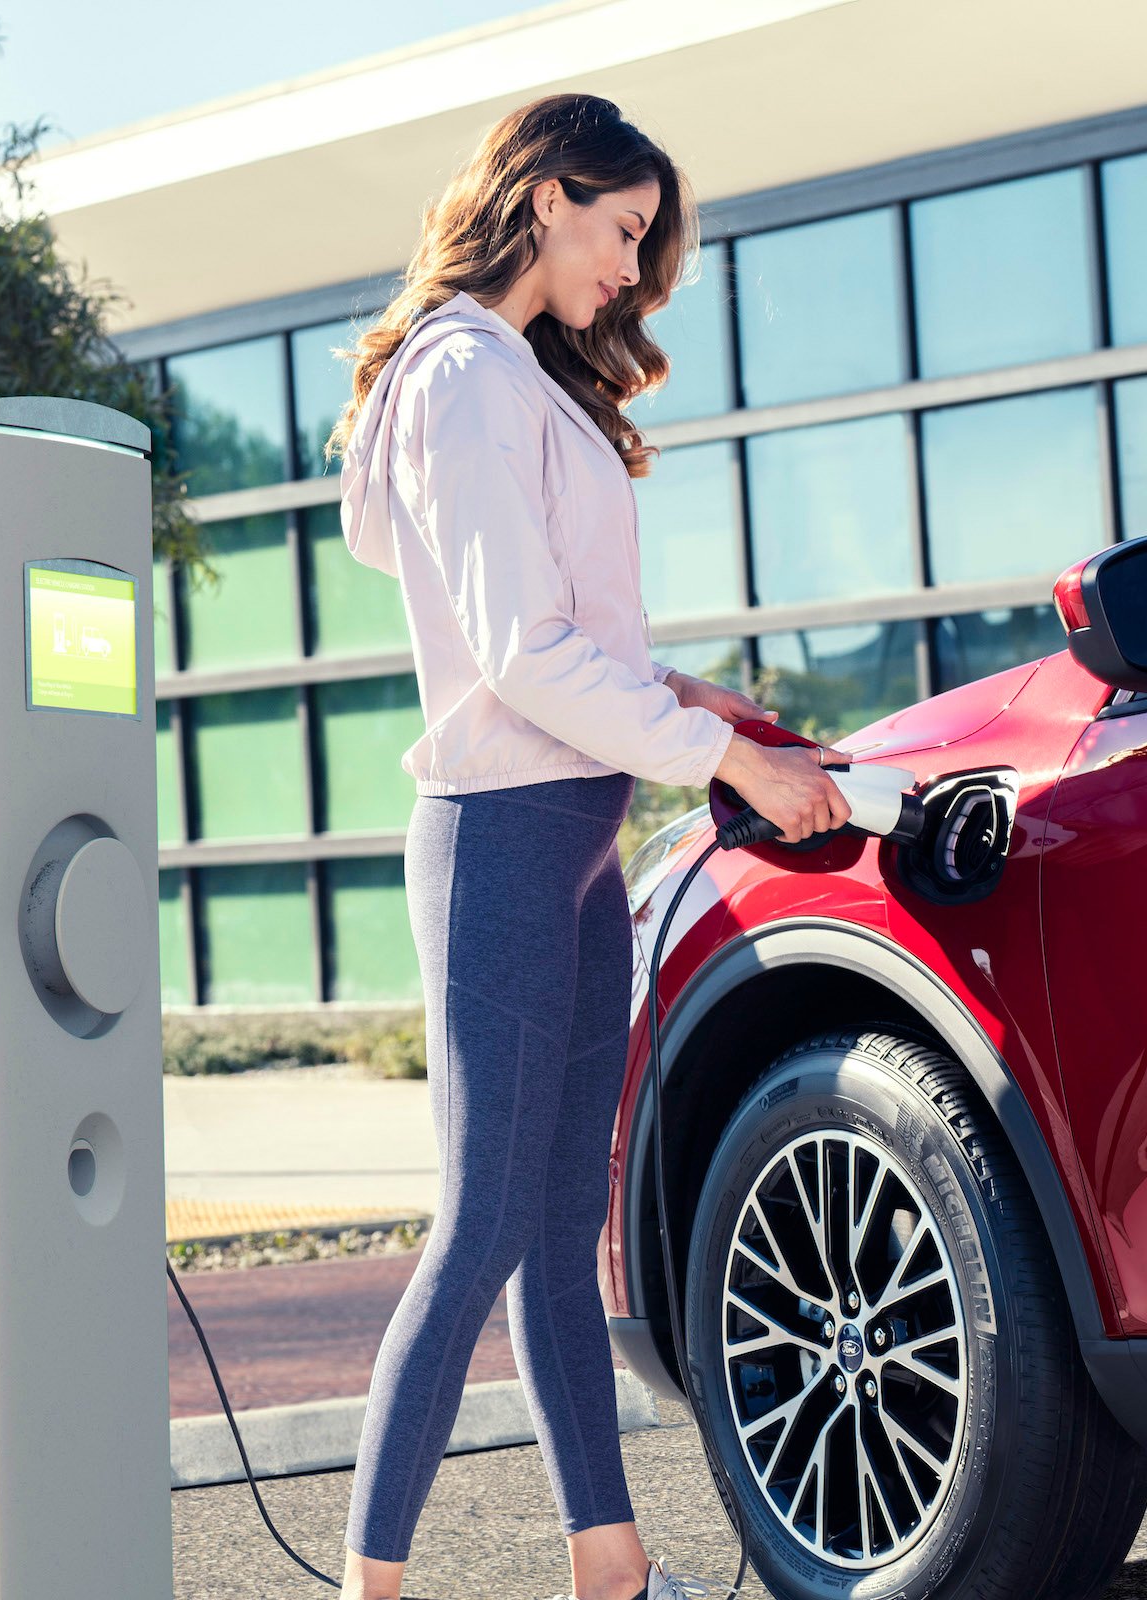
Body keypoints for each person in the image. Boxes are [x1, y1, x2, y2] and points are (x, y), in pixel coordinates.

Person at [317, 91, 852, 1600]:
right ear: (548, 194)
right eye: (624, 232)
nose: (631, 271)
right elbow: (522, 656)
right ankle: (373, 1589)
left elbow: (557, 646)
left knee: (563, 1224)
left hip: (572, 838)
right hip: (498, 836)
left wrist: (697, 703)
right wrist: (726, 755)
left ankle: (608, 1569)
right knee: (484, 1219)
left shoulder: (518, 383)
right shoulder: (464, 373)